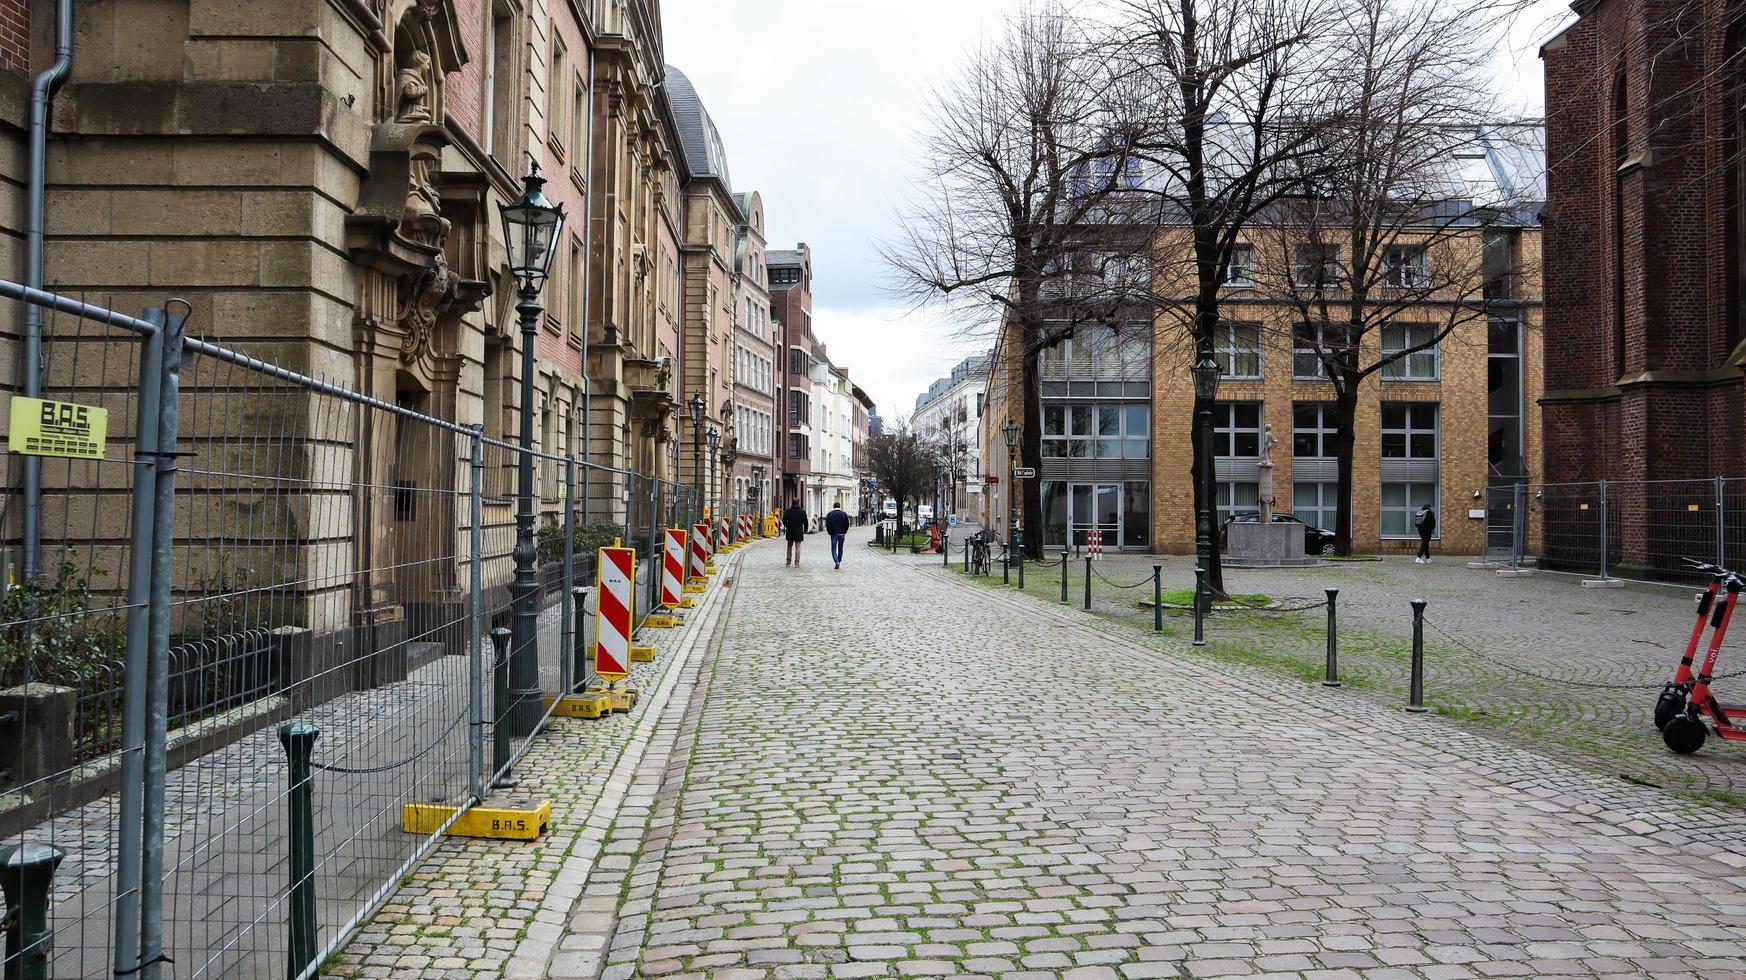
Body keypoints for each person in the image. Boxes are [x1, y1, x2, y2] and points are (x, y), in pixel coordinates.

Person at [783, 500, 808, 567]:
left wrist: (787, 526)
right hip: (799, 531)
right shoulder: (802, 512)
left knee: (789, 546)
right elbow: (805, 522)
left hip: (790, 531)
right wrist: (805, 530)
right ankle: (797, 562)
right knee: (798, 547)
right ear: (798, 503)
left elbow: (783, 520)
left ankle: (788, 561)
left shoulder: (788, 511)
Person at [825, 503, 851, 569]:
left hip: (834, 534)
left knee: (833, 548)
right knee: (840, 548)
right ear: (840, 506)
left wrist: (830, 532)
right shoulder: (844, 514)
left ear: (833, 507)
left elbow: (828, 525)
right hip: (842, 534)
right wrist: (844, 532)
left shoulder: (830, 514)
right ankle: (839, 560)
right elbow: (847, 524)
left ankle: (836, 561)